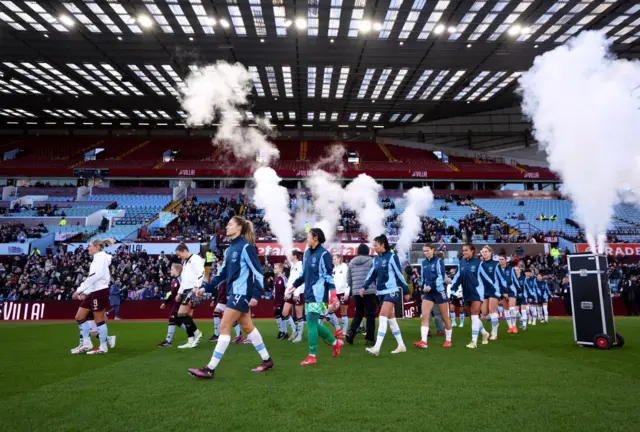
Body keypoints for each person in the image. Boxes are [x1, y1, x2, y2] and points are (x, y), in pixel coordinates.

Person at [188, 216, 273, 379]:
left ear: (239, 228)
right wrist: (204, 288)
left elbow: (258, 273)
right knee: (248, 327)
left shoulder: (247, 247)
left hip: (241, 294)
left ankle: (210, 368)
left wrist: (256, 294)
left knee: (224, 327)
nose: (227, 227)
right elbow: (221, 275)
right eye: (227, 224)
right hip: (234, 293)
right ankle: (267, 360)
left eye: (230, 225)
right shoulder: (228, 250)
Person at [291, 228, 344, 366]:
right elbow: (303, 275)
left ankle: (312, 355)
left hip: (318, 295)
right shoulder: (307, 253)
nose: (306, 239)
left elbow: (328, 277)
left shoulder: (324, 255)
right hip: (308, 294)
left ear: (316, 238)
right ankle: (335, 342)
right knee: (312, 323)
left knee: (311, 323)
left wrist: (333, 295)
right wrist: (293, 286)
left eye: (308, 236)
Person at [361, 234, 410, 357]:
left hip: (391, 291)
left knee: (382, 316)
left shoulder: (392, 257)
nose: (374, 248)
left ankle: (377, 347)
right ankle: (401, 345)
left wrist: (406, 291)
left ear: (382, 245)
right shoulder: (375, 259)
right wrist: (364, 286)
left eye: (376, 245)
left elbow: (399, 274)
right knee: (391, 320)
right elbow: (371, 275)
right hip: (381, 293)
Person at [70, 238, 115, 355]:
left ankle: (103, 346)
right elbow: (94, 278)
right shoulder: (99, 258)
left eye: (90, 246)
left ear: (97, 247)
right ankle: (86, 343)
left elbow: (96, 276)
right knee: (79, 316)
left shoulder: (100, 258)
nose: (88, 248)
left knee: (99, 319)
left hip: (100, 291)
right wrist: (85, 292)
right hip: (94, 291)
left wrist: (80, 289)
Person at [449, 243, 491, 349]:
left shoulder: (479, 263)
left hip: (477, 292)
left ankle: (474, 341)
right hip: (466, 293)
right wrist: (453, 289)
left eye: (466, 250)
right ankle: (485, 333)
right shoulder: (461, 263)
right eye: (463, 250)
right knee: (473, 318)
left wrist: (495, 291)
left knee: (474, 314)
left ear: (472, 251)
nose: (464, 252)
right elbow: (458, 278)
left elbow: (487, 278)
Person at [414, 245, 452, 349]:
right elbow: (423, 278)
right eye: (424, 251)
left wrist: (432, 286)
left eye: (427, 250)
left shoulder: (439, 261)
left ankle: (448, 340)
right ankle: (424, 341)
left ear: (432, 250)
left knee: (445, 317)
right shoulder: (423, 263)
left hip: (439, 292)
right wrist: (422, 290)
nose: (425, 252)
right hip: (428, 293)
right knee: (425, 316)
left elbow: (441, 276)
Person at [173, 243, 205, 349]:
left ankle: (197, 332)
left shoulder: (195, 259)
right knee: (188, 316)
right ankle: (190, 340)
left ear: (184, 250)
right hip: (186, 290)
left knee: (181, 314)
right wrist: (179, 292)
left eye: (179, 254)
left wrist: (196, 287)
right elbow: (184, 280)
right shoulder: (185, 262)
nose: (179, 256)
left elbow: (201, 272)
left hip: (193, 290)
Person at [345, 243, 376, 347]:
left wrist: (354, 288)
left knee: (358, 313)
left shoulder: (351, 262)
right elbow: (375, 276)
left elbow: (348, 279)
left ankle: (351, 333)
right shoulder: (371, 261)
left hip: (356, 292)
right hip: (369, 291)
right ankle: (370, 338)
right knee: (370, 314)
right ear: (368, 251)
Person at [158, 263, 187, 347]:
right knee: (177, 321)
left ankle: (168, 341)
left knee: (172, 317)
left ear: (177, 270)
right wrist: (165, 303)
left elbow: (185, 290)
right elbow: (172, 293)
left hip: (179, 303)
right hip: (175, 303)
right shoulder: (175, 280)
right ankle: (193, 332)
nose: (170, 271)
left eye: (172, 269)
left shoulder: (181, 279)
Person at [479, 246, 503, 341]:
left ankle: (494, 333)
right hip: (483, 290)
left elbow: (501, 278)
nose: (484, 253)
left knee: (492, 309)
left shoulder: (496, 264)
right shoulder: (480, 264)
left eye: (486, 252)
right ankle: (495, 322)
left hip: (494, 290)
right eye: (482, 252)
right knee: (484, 312)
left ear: (490, 253)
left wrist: (502, 290)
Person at [284, 250, 305, 343]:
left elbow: (302, 280)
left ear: (295, 256)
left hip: (298, 293)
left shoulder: (300, 265)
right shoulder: (293, 266)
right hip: (290, 291)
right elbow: (290, 280)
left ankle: (299, 336)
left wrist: (296, 293)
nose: (289, 256)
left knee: (299, 314)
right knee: (284, 313)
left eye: (290, 255)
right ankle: (294, 331)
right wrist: (287, 292)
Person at [497, 254, 520, 333]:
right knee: (506, 310)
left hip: (512, 290)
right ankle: (510, 327)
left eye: (502, 259)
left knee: (512, 308)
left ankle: (514, 326)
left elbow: (515, 279)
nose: (501, 261)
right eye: (499, 259)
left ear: (506, 260)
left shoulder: (511, 269)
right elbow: (496, 282)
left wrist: (519, 290)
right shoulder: (497, 269)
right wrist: (502, 292)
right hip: (502, 292)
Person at [333, 254, 350, 336]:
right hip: (335, 293)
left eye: (335, 259)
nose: (333, 260)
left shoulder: (345, 268)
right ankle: (338, 328)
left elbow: (348, 281)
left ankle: (344, 332)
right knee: (329, 311)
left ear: (340, 259)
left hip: (343, 292)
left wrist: (347, 293)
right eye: (333, 259)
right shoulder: (334, 269)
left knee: (343, 312)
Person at [273, 262, 291, 340]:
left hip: (282, 300)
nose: (274, 270)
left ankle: (282, 331)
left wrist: (286, 296)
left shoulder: (283, 278)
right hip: (276, 300)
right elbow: (274, 290)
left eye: (275, 268)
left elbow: (287, 287)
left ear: (280, 269)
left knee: (279, 314)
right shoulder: (276, 279)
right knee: (279, 315)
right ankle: (285, 332)